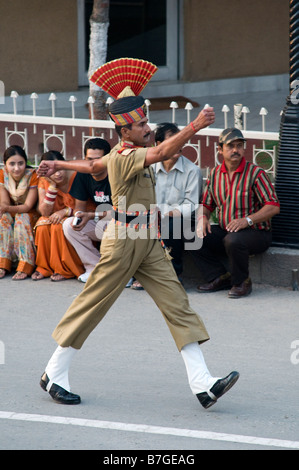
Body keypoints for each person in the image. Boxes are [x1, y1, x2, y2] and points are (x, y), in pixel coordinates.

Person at [37, 59, 239, 410]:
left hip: (147, 241)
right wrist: (196, 124)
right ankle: (53, 373)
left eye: (146, 121)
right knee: (92, 305)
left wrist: (61, 163)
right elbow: (162, 151)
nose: (148, 128)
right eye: (142, 124)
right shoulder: (127, 156)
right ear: (124, 132)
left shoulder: (116, 153)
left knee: (178, 304)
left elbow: (94, 165)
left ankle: (203, 383)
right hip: (124, 240)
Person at [195, 127, 280, 298]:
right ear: (220, 150)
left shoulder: (256, 173)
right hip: (227, 231)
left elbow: (273, 206)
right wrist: (202, 217)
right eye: (230, 146)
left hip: (256, 233)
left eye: (239, 145)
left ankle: (242, 282)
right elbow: (206, 203)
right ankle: (219, 276)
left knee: (233, 240)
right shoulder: (215, 174)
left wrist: (247, 220)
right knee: (190, 234)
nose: (235, 150)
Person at [153, 122, 203, 281]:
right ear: (159, 145)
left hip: (182, 219)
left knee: (171, 224)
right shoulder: (148, 168)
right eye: (173, 140)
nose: (179, 144)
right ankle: (138, 273)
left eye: (181, 140)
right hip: (152, 215)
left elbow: (192, 205)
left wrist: (168, 214)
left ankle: (173, 274)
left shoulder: (192, 171)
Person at [63, 138, 112, 283]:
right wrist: (79, 217)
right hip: (100, 221)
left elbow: (123, 212)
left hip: (124, 222)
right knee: (69, 225)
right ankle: (94, 269)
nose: (93, 165)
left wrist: (91, 215)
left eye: (97, 160)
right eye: (89, 160)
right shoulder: (83, 173)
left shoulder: (117, 175)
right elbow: (80, 207)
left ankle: (120, 274)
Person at [32, 150, 85, 282]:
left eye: (59, 169)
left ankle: (65, 269)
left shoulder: (75, 176)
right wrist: (53, 186)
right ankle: (44, 267)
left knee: (58, 226)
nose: (58, 173)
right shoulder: (44, 180)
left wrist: (65, 212)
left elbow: (86, 207)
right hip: (53, 215)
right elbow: (44, 211)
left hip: (76, 214)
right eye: (52, 171)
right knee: (42, 224)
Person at [0, 145, 39, 280]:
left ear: (25, 163)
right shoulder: (2, 174)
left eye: (20, 163)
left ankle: (26, 264)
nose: (16, 168)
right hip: (12, 211)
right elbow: (4, 202)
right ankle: (3, 264)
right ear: (5, 165)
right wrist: (3, 209)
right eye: (12, 164)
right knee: (3, 218)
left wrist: (6, 209)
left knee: (21, 218)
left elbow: (28, 206)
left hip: (30, 213)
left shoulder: (32, 175)